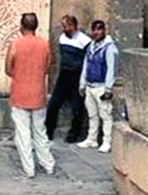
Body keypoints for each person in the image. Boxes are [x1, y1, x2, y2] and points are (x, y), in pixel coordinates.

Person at [5, 13, 55, 178]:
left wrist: (20, 74)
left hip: (20, 92)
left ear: (21, 26)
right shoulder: (44, 44)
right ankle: (48, 164)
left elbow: (8, 68)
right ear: (36, 26)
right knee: (40, 131)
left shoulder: (16, 44)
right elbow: (48, 67)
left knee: (23, 132)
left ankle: (29, 168)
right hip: (38, 92)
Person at [45, 15, 92, 143]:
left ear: (73, 26)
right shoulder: (62, 38)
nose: (64, 29)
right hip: (64, 74)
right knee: (54, 104)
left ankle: (74, 134)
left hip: (77, 74)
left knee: (77, 106)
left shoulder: (84, 40)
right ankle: (48, 131)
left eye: (66, 26)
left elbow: (88, 59)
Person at [78, 20, 119, 153]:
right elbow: (86, 65)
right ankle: (92, 138)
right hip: (90, 85)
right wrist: (82, 83)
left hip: (101, 86)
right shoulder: (91, 46)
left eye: (99, 29)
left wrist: (108, 88)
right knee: (92, 114)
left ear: (104, 30)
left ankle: (107, 141)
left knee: (105, 115)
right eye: (94, 29)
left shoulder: (109, 48)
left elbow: (111, 69)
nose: (96, 32)